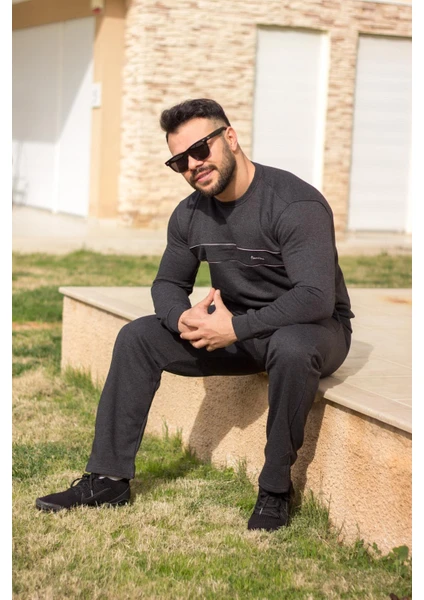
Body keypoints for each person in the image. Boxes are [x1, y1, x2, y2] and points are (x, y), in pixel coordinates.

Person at [36, 98, 354, 531]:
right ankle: (108, 480)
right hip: (238, 329)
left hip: (314, 329)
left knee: (292, 346)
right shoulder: (189, 214)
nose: (193, 165)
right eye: (180, 161)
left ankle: (275, 489)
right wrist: (180, 318)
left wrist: (236, 327)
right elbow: (167, 283)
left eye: (200, 149)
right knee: (138, 336)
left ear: (231, 138)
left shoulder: (294, 203)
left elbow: (316, 297)